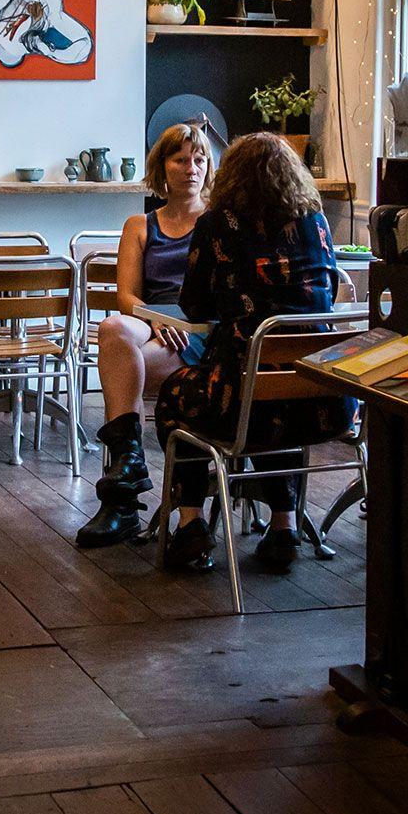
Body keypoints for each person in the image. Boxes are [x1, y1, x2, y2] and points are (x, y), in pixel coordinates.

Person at [150, 132, 354, 574]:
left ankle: (191, 523)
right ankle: (283, 527)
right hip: (326, 399)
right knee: (275, 393)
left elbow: (194, 306)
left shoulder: (216, 224)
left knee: (178, 396)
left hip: (241, 402)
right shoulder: (316, 221)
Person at [73, 122, 216, 550]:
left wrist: (177, 323)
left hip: (197, 328)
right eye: (180, 159)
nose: (191, 168)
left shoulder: (218, 222)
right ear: (162, 167)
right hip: (153, 321)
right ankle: (130, 464)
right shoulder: (139, 225)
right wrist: (155, 320)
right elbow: (126, 297)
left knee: (121, 371)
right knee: (113, 327)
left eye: (199, 160)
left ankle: (120, 501)